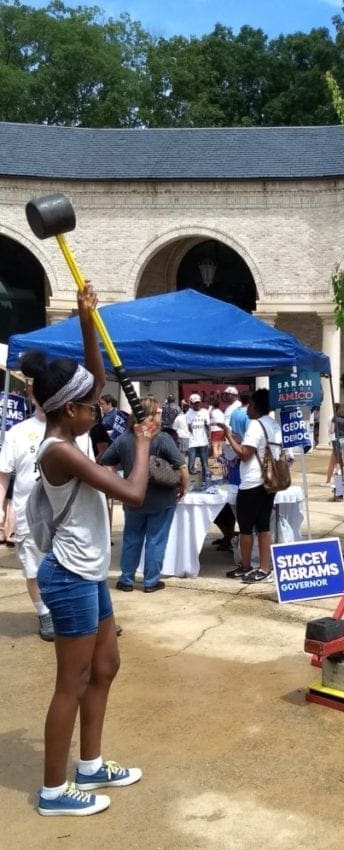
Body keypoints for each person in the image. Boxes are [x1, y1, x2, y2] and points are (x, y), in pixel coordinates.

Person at [20, 282, 159, 817]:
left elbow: (95, 379)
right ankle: (54, 792)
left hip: (87, 575)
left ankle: (91, 763)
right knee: (71, 682)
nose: (101, 406)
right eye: (92, 405)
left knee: (106, 666)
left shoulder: (70, 431)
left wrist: (86, 320)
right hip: (70, 577)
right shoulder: (62, 452)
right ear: (69, 410)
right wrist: (143, 441)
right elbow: (134, 492)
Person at [102, 397, 188, 593]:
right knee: (156, 540)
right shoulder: (162, 438)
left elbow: (107, 463)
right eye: (157, 413)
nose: (159, 416)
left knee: (131, 539)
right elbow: (181, 466)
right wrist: (184, 487)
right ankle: (151, 581)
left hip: (133, 499)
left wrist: (118, 485)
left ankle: (126, 579)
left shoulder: (124, 438)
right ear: (150, 415)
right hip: (162, 499)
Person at [0, 394, 55, 640]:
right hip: (28, 515)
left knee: (73, 567)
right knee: (34, 569)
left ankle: (84, 614)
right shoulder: (17, 433)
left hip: (65, 515)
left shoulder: (71, 429)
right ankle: (44, 614)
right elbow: (3, 474)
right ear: (34, 396)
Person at [222, 388, 282, 583]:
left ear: (255, 406)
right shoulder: (273, 424)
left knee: (246, 527)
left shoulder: (255, 425)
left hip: (252, 482)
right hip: (270, 481)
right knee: (264, 525)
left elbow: (245, 453)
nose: (246, 409)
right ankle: (264, 567)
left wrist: (228, 435)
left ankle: (246, 566)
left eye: (249, 405)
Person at [324, 403, 344, 484]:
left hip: (338, 440)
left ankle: (328, 480)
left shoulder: (335, 418)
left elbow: (332, 430)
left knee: (332, 462)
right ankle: (343, 480)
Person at [186, 393, 211, 483]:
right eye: (195, 403)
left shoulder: (204, 412)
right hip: (192, 442)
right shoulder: (188, 414)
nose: (197, 404)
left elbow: (208, 425)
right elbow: (188, 427)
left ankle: (205, 481)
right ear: (191, 403)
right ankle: (193, 483)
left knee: (205, 463)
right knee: (191, 464)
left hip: (203, 442)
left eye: (198, 403)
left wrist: (209, 436)